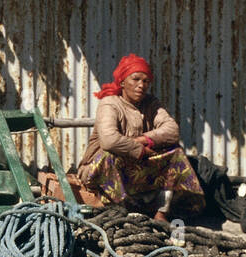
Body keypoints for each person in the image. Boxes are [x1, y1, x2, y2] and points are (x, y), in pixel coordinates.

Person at [76, 53, 204, 220]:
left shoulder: (151, 103)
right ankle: (119, 209)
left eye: (145, 81)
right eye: (135, 79)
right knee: (108, 155)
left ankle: (162, 211)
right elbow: (109, 140)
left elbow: (172, 130)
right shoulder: (110, 103)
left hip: (136, 169)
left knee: (176, 154)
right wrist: (139, 150)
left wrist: (143, 140)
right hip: (98, 170)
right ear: (122, 82)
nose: (141, 85)